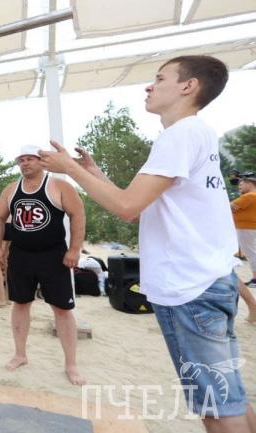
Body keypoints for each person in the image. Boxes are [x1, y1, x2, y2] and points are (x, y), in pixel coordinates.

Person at [39, 55, 256, 430]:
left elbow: (126, 206)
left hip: (190, 288)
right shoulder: (198, 133)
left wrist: (69, 169)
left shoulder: (179, 135)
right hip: (208, 281)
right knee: (229, 395)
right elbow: (140, 207)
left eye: (160, 78)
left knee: (218, 408)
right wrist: (94, 173)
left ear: (188, 86)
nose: (149, 86)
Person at [0, 145, 86, 386]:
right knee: (20, 303)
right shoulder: (11, 190)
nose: (25, 163)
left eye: (30, 159)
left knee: (62, 309)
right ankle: (20, 354)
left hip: (54, 255)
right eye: (21, 160)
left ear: (41, 161)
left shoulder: (59, 186)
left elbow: (78, 214)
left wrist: (75, 249)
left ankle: (71, 364)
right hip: (21, 255)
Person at [230, 171, 256, 322]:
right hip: (246, 227)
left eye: (242, 183)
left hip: (246, 228)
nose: (239, 185)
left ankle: (255, 278)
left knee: (251, 253)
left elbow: (230, 207)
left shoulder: (249, 196)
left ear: (250, 183)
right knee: (251, 253)